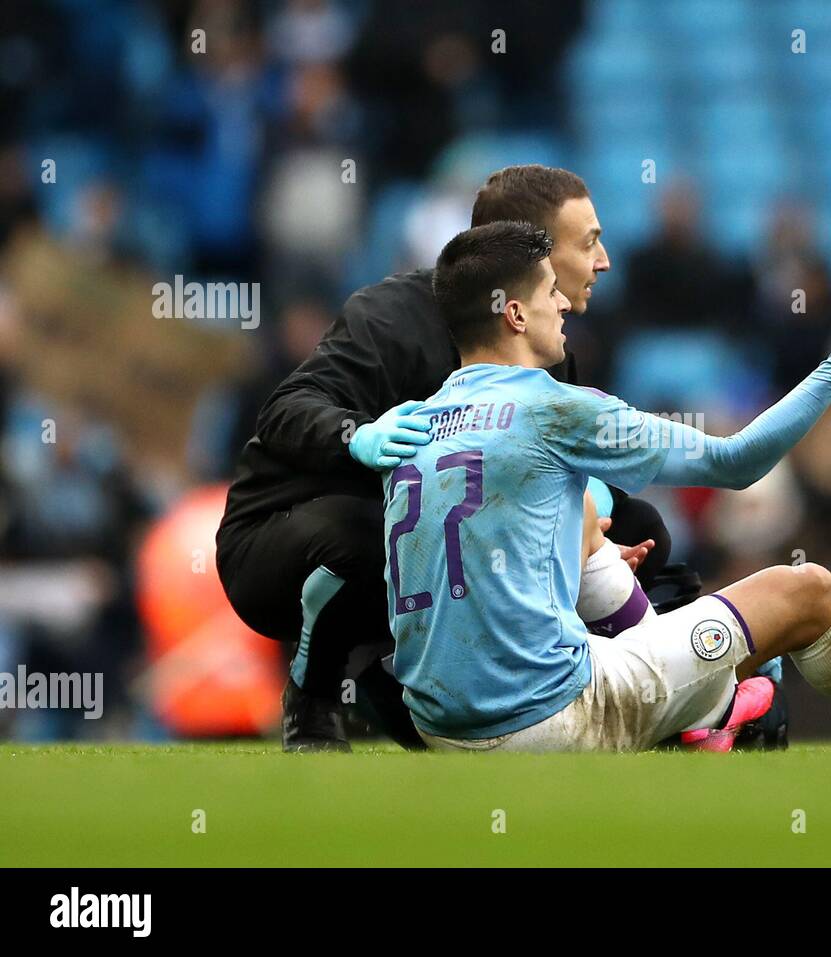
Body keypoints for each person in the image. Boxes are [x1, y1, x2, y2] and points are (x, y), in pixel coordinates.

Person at [388, 221, 831, 753]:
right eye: (547, 290)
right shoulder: (556, 408)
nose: (563, 300)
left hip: (440, 727)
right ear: (512, 313)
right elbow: (739, 460)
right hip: (546, 722)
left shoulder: (414, 422)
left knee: (596, 543)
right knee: (806, 591)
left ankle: (711, 709)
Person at [216, 166, 681, 751]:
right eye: (587, 242)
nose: (604, 260)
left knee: (641, 529)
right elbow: (286, 408)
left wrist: (596, 529)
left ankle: (411, 696)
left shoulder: (544, 341)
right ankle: (312, 696)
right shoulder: (389, 316)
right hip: (282, 543)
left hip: (431, 553)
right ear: (527, 250)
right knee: (367, 532)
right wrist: (355, 434)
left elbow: (559, 480)